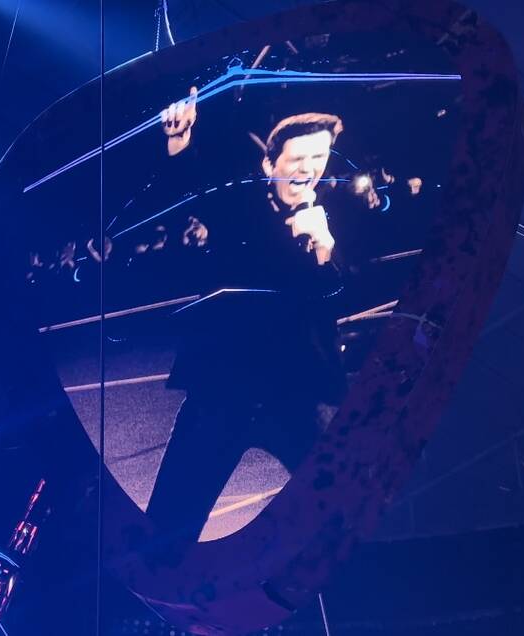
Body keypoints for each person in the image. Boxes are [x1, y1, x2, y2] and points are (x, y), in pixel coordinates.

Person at [137, 88, 353, 557]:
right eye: (297, 156)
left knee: (343, 511)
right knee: (170, 525)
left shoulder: (333, 219)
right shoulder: (242, 211)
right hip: (225, 388)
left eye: (319, 156)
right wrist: (180, 143)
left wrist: (324, 249)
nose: (308, 166)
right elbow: (192, 191)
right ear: (269, 164)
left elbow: (342, 294)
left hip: (302, 390)